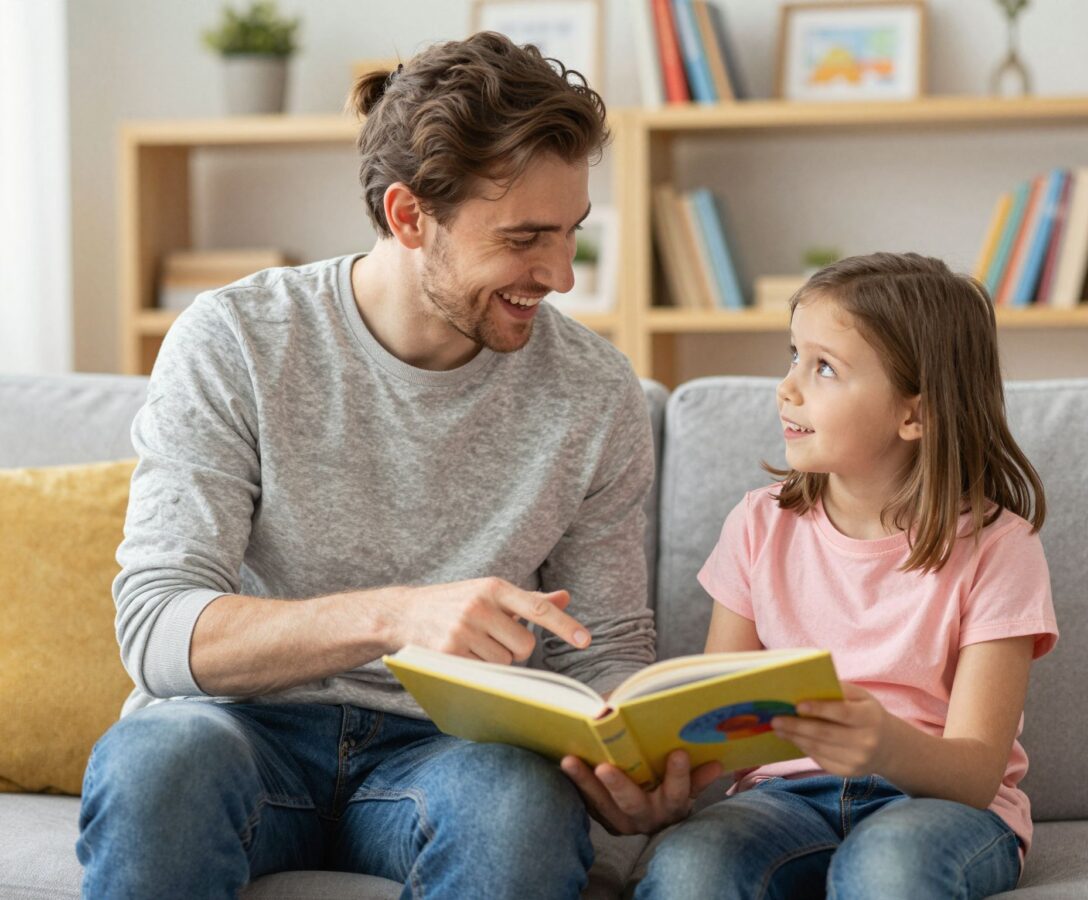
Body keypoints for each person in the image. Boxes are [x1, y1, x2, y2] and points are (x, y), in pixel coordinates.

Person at [76, 32, 667, 899]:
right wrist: (396, 615)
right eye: (525, 237)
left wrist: (633, 757)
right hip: (242, 731)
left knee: (520, 807)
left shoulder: (593, 390)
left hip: (454, 755)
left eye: (572, 234)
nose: (559, 275)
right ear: (406, 216)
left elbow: (603, 649)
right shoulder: (236, 338)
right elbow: (160, 631)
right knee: (156, 761)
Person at [570, 252, 1059, 899]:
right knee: (693, 868)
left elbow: (975, 774)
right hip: (783, 796)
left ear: (916, 413)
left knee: (888, 870)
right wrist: (661, 777)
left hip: (934, 804)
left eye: (824, 367)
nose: (789, 387)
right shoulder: (757, 526)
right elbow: (710, 713)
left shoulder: (1001, 548)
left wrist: (883, 745)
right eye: (793, 355)